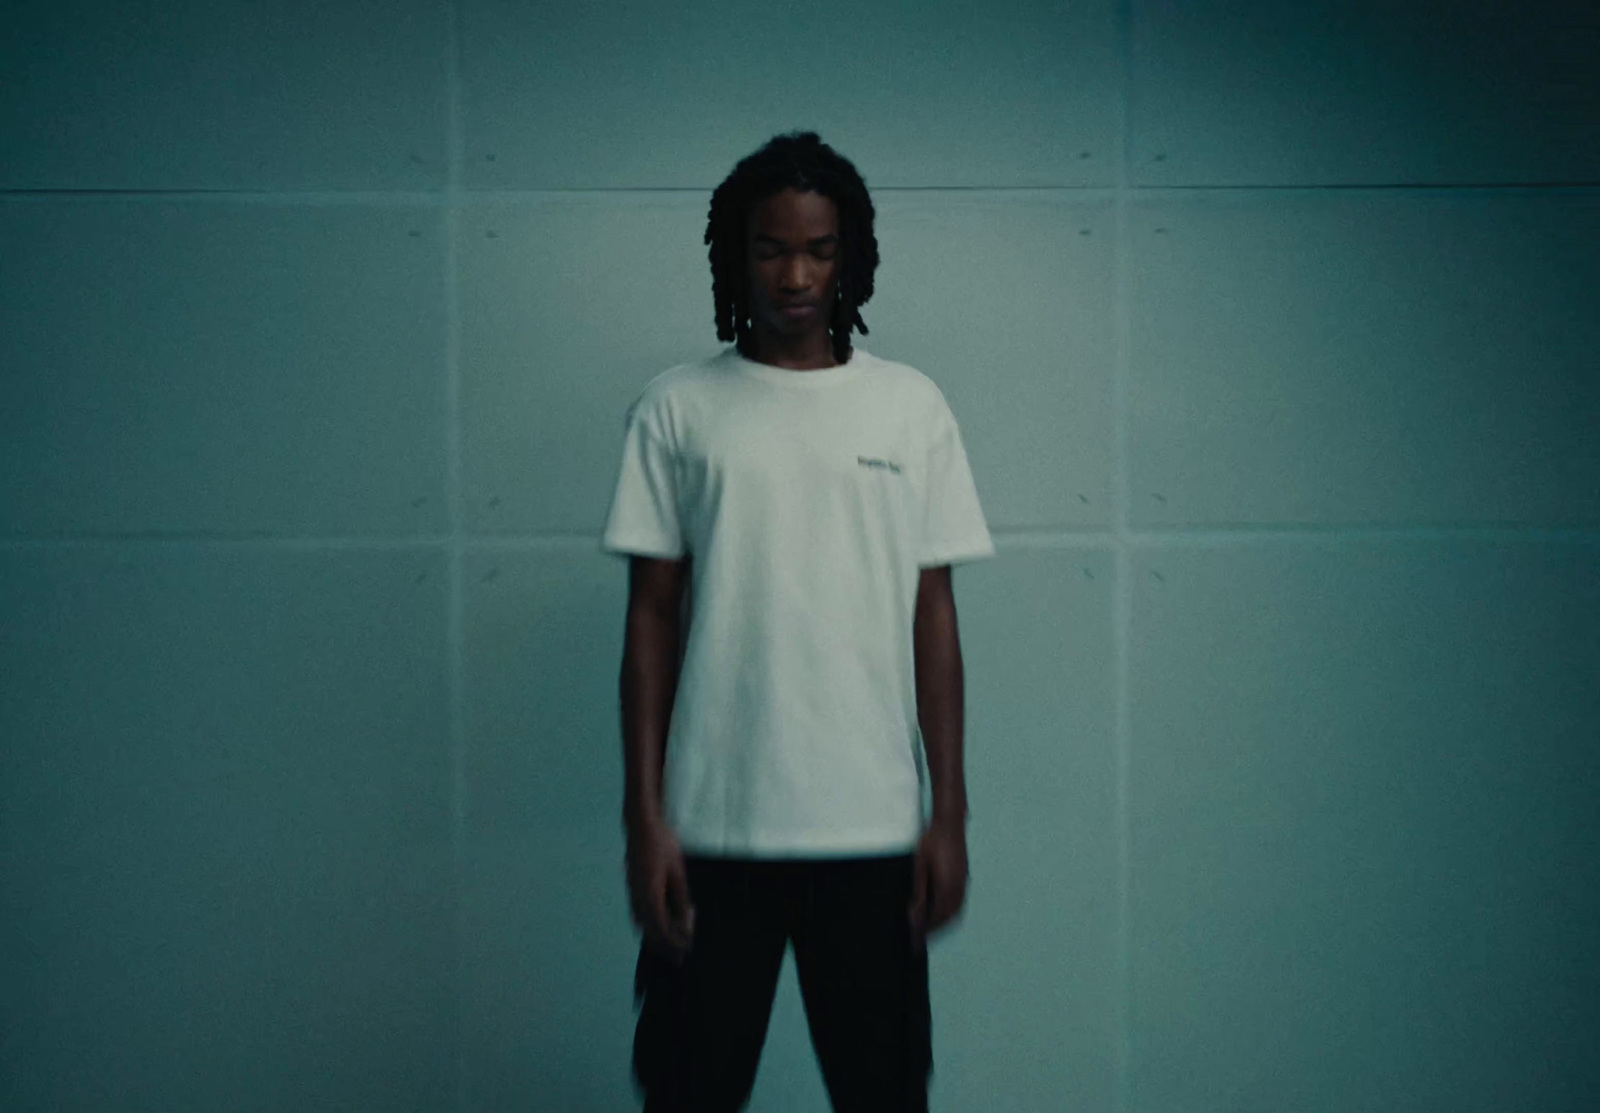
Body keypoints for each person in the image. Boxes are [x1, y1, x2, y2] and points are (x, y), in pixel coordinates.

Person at [600, 130, 995, 1112]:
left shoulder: (909, 408)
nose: (795, 273)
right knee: (687, 1096)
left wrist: (947, 812)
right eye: (772, 247)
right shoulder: (678, 410)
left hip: (870, 833)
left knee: (884, 1095)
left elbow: (932, 619)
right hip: (710, 834)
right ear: (737, 256)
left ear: (848, 258)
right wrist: (643, 818)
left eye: (819, 249)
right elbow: (649, 616)